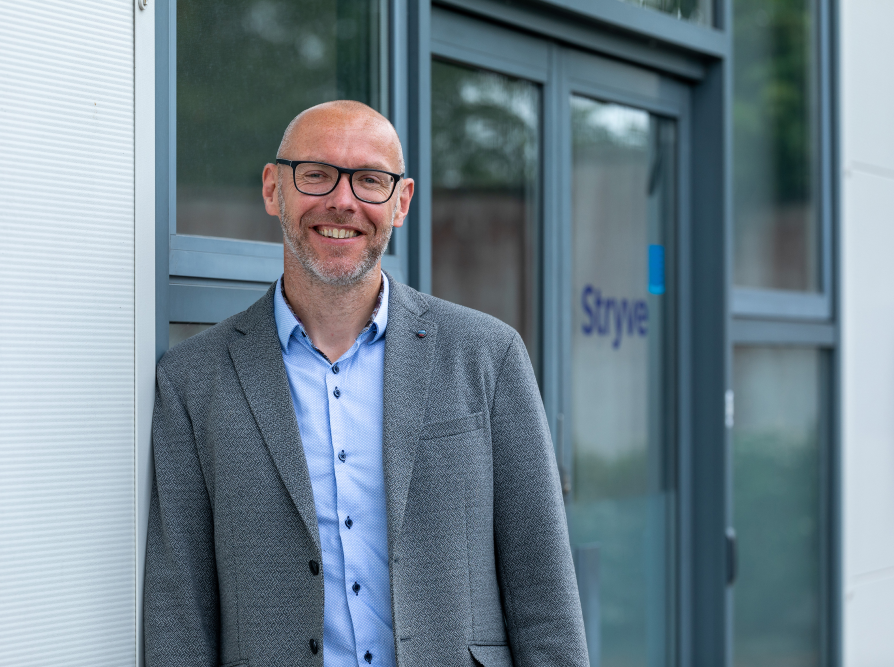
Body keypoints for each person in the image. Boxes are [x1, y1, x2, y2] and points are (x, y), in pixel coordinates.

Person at [144, 100, 589, 667]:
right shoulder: (192, 382)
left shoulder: (488, 355)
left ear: (400, 202)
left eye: (370, 181)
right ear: (272, 189)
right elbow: (178, 613)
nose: (342, 201)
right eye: (316, 174)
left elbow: (543, 587)